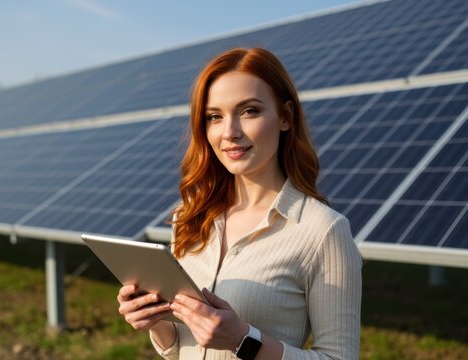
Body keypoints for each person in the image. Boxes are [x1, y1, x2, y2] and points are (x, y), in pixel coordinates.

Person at [117, 47, 362, 360]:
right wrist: (156, 323)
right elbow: (184, 348)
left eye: (249, 111)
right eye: (215, 117)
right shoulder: (190, 217)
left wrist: (243, 340)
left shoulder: (323, 231)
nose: (230, 133)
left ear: (285, 118)